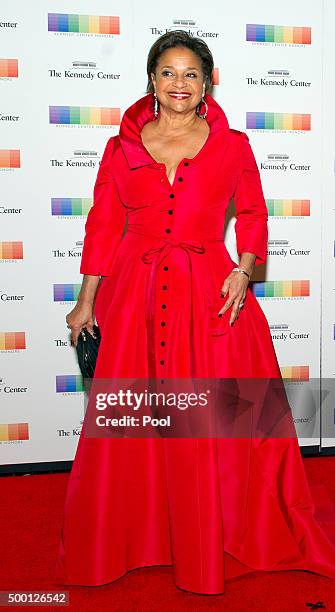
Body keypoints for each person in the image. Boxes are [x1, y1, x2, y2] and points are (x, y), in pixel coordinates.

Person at [54, 30, 335, 595]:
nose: (178, 83)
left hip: (209, 292)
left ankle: (210, 536)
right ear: (151, 81)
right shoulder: (120, 149)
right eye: (167, 73)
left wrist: (244, 267)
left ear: (207, 82)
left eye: (189, 73)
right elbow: (103, 228)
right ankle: (136, 536)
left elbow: (253, 214)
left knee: (208, 420)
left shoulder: (232, 145)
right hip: (132, 295)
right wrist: (86, 300)